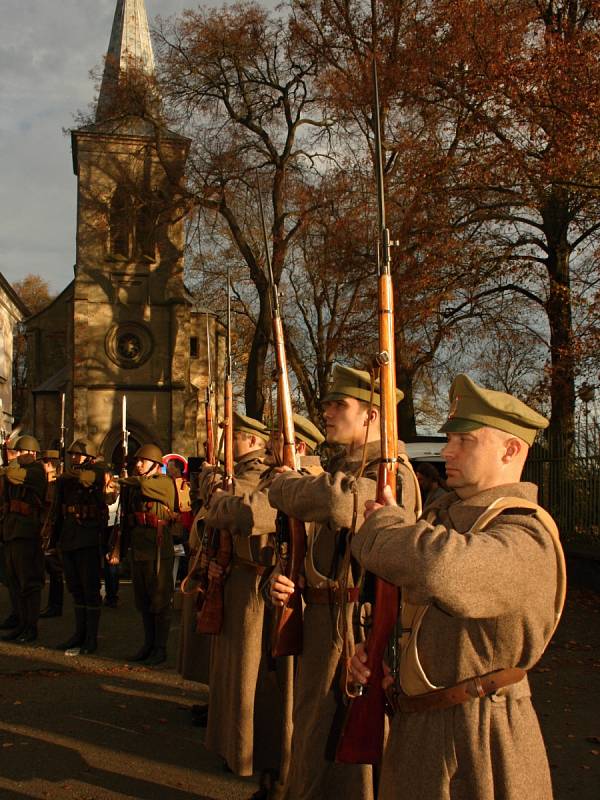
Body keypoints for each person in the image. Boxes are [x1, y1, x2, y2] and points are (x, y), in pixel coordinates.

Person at [348, 374, 566, 800]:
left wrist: (386, 525)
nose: (447, 450)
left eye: (465, 440)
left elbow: (441, 569)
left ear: (511, 449)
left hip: (481, 741)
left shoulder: (527, 534)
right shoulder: (442, 517)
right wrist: (380, 650)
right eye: (450, 438)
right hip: (417, 727)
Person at [269, 365, 420, 800]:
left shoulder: (395, 474)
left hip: (356, 628)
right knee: (313, 739)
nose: (328, 411)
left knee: (344, 753)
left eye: (341, 404)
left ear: (372, 414)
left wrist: (285, 486)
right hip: (323, 622)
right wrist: (285, 582)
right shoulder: (344, 466)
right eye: (330, 403)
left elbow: (337, 503)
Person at [202, 412, 275, 781]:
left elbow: (241, 515)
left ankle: (244, 752)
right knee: (232, 671)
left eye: (232, 436)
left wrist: (217, 496)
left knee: (246, 674)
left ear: (248, 439)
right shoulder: (245, 473)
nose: (226, 442)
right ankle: (233, 746)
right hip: (238, 573)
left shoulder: (259, 473)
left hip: (255, 579)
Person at [51, 440, 115, 654]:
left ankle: (91, 638)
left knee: (90, 589)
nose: (74, 458)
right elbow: (58, 507)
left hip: (88, 537)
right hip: (69, 536)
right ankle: (79, 634)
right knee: (76, 588)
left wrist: (66, 475)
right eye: (73, 455)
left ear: (88, 456)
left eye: (78, 455)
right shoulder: (68, 477)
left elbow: (91, 477)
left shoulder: (96, 471)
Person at [119, 444, 177, 666]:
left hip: (158, 550)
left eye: (142, 461)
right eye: (137, 461)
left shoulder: (163, 483)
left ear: (155, 464)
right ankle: (148, 644)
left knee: (160, 600)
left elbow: (142, 484)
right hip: (140, 549)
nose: (138, 464)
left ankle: (160, 648)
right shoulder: (135, 486)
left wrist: (121, 480)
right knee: (143, 601)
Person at [0, 435, 47, 643]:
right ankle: (20, 621)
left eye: (20, 452)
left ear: (32, 453)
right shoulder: (16, 471)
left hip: (27, 532)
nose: (16, 456)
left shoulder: (36, 471)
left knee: (29, 581)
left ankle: (31, 626)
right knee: (14, 580)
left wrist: (7, 465)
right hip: (11, 530)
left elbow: (12, 475)